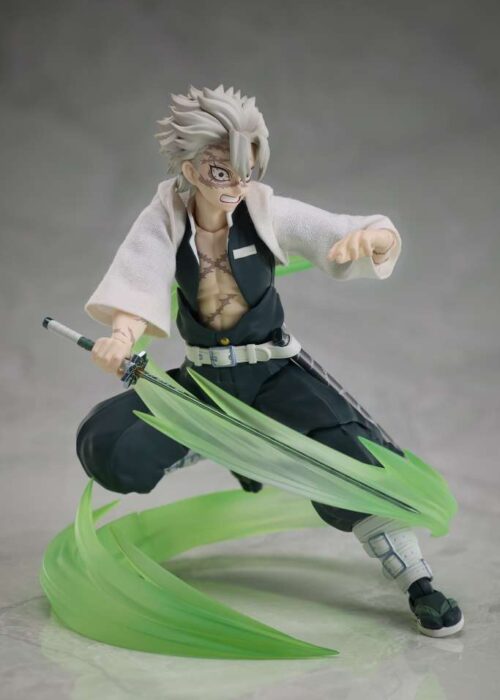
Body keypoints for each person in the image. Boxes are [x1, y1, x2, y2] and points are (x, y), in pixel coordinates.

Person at [76, 85, 463, 638]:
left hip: (276, 372)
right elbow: (140, 277)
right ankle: (215, 442)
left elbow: (337, 229)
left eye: (247, 171)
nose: (237, 185)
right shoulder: (165, 221)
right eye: (221, 172)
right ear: (190, 168)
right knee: (112, 446)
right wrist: (121, 333)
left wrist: (373, 240)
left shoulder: (263, 212)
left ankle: (419, 583)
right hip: (207, 381)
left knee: (357, 464)